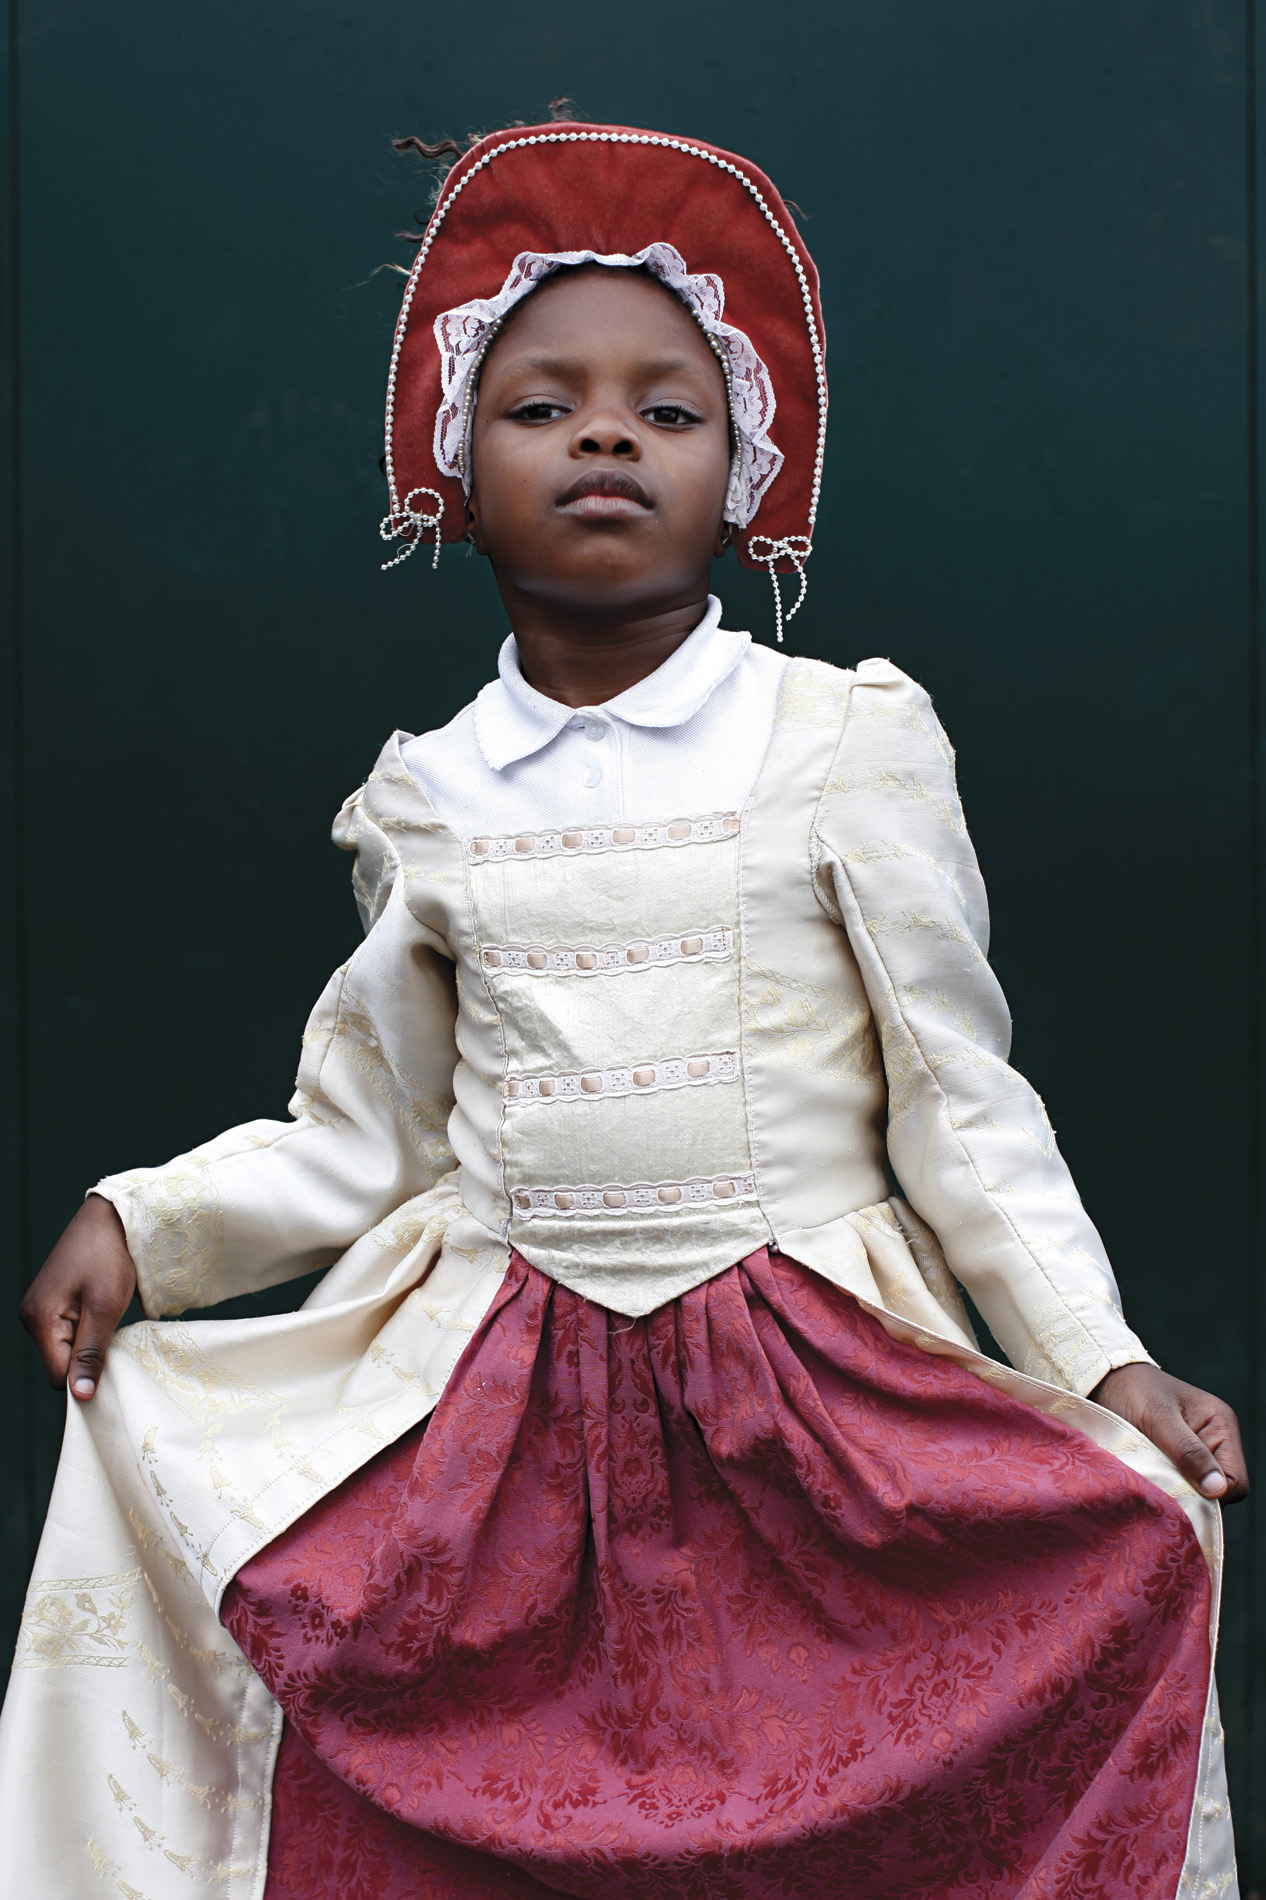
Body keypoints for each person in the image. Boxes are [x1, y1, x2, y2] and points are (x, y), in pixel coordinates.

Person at [1, 118, 1247, 1899]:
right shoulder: (429, 796)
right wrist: (146, 1223)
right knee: (482, 1812)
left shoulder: (843, 742)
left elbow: (957, 1101)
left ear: (744, 469)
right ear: (455, 465)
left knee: (1058, 1604)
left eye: (666, 410)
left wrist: (1099, 1362)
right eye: (542, 406)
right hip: (500, 1413)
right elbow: (366, 1133)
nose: (605, 435)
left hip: (819, 1399)